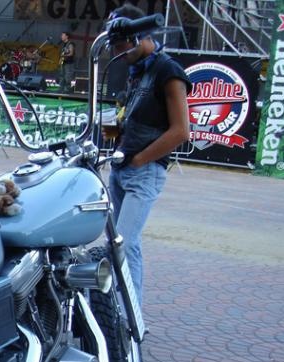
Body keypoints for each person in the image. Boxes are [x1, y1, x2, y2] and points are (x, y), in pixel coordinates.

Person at [105, 3, 191, 306]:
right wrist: (115, 132)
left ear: (139, 36)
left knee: (123, 244)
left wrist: (141, 159)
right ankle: (126, 313)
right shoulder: (137, 70)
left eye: (121, 45)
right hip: (122, 167)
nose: (118, 52)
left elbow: (181, 131)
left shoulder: (167, 70)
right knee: (123, 244)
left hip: (143, 170)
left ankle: (127, 316)